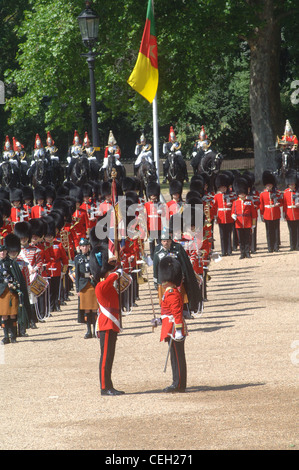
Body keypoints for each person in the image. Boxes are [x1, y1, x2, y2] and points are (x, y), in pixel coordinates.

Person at [89, 243, 125, 396]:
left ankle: (109, 385)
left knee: (109, 357)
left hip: (111, 324)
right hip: (106, 325)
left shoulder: (107, 283)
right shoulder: (101, 286)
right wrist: (117, 272)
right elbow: (112, 277)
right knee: (105, 358)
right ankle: (104, 387)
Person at [153, 227, 201, 317]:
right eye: (164, 241)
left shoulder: (177, 249)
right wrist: (155, 282)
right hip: (163, 281)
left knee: (179, 297)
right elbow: (155, 268)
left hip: (177, 280)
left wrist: (183, 276)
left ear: (170, 241)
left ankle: (183, 312)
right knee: (165, 298)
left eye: (167, 241)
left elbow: (183, 264)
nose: (166, 243)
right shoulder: (158, 252)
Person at [159, 256, 187, 393]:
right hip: (171, 327)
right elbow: (167, 312)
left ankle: (179, 383)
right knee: (175, 357)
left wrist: (179, 330)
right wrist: (159, 320)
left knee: (178, 357)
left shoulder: (172, 293)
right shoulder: (169, 292)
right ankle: (177, 381)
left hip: (175, 329)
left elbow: (176, 313)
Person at [0, 239, 30, 344]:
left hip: (12, 291)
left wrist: (14, 284)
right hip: (2, 292)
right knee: (4, 315)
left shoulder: (12, 263)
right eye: (0, 252)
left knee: (13, 314)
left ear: (6, 252)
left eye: (4, 251)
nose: (2, 253)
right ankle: (5, 337)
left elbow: (18, 277)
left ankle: (13, 336)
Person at [75, 238, 98, 339]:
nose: (85, 248)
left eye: (86, 246)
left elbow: (97, 268)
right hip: (83, 284)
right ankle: (88, 331)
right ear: (80, 247)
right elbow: (77, 274)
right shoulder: (77, 258)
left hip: (92, 284)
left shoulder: (93, 256)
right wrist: (77, 289)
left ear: (89, 246)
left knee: (94, 308)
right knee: (87, 309)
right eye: (83, 246)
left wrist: (95, 276)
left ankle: (95, 330)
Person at [231, 177, 257, 259]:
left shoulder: (249, 202)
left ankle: (247, 252)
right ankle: (242, 253)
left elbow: (254, 214)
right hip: (239, 223)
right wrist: (233, 215)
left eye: (243, 193)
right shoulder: (235, 202)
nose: (242, 194)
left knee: (247, 239)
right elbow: (232, 212)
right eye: (240, 193)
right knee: (240, 240)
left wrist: (253, 224)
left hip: (247, 223)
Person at [259, 171, 283, 253]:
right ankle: (270, 247)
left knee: (276, 231)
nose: (269, 186)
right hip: (267, 214)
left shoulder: (277, 193)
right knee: (269, 232)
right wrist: (261, 215)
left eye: (270, 185)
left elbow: (282, 202)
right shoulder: (262, 194)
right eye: (267, 185)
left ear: (273, 185)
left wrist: (279, 204)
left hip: (276, 213)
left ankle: (276, 247)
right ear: (265, 185)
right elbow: (261, 205)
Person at [213, 173, 236, 256]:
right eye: (221, 187)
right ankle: (223, 251)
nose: (223, 188)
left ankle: (229, 250)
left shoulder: (232, 195)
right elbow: (215, 207)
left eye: (224, 187)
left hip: (229, 217)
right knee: (222, 235)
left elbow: (235, 206)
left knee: (229, 234)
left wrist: (232, 205)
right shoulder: (217, 196)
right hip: (221, 217)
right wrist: (215, 217)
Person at [283, 169, 299, 251]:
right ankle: (292, 246)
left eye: (293, 185)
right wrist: (285, 215)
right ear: (288, 185)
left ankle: (297, 245)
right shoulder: (286, 193)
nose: (292, 186)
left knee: (297, 231)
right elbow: (285, 204)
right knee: (291, 231)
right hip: (289, 214)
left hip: (297, 214)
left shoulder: (298, 192)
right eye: (290, 185)